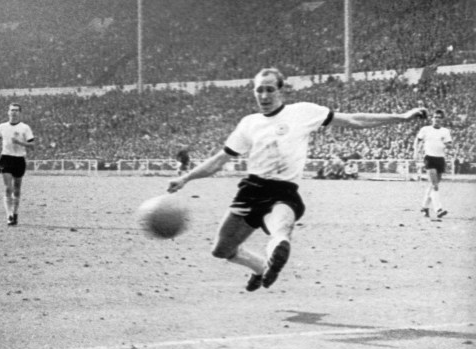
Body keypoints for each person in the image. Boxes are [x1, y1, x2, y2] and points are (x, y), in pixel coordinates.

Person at [166, 68, 426, 292]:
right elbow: (219, 160)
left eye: (270, 90)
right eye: (259, 90)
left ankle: (277, 249)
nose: (264, 96)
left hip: (283, 191)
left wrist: (401, 117)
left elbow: (353, 119)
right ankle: (260, 267)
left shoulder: (303, 112)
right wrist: (185, 178)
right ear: (254, 92)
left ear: (281, 91)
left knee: (281, 230)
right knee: (221, 250)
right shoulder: (249, 123)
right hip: (250, 190)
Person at [0, 103, 36, 226]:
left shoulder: (25, 128)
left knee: (16, 189)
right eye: (12, 110)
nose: (14, 112)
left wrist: (20, 143)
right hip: (6, 158)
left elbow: (32, 145)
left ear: (20, 113)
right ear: (8, 112)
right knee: (7, 188)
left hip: (19, 159)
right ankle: (9, 215)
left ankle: (15, 213)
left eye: (16, 110)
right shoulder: (2, 126)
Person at [414, 108, 452, 219]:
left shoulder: (445, 131)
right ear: (432, 118)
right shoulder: (425, 129)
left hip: (440, 159)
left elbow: (449, 144)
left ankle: (424, 207)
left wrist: (448, 145)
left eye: (439, 118)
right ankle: (438, 209)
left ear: (442, 120)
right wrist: (415, 152)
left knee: (433, 185)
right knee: (435, 185)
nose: (437, 119)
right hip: (429, 158)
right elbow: (418, 140)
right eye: (435, 117)